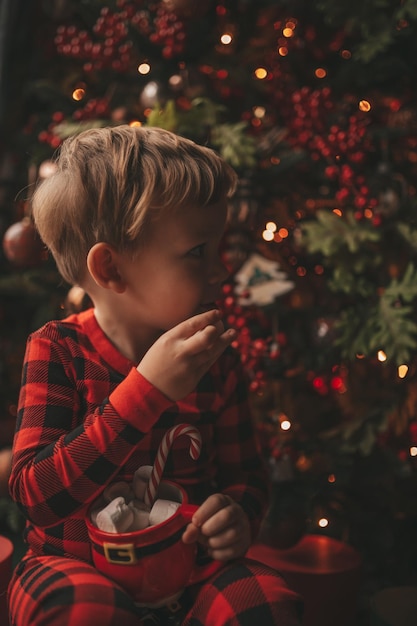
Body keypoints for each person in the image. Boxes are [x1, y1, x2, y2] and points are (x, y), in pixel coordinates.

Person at [8, 125, 302, 625]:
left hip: (190, 570)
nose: (219, 271)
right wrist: (146, 391)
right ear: (113, 270)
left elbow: (246, 476)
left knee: (265, 605)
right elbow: (38, 496)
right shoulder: (58, 349)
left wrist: (237, 515)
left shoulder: (214, 359)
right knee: (84, 611)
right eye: (197, 253)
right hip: (69, 566)